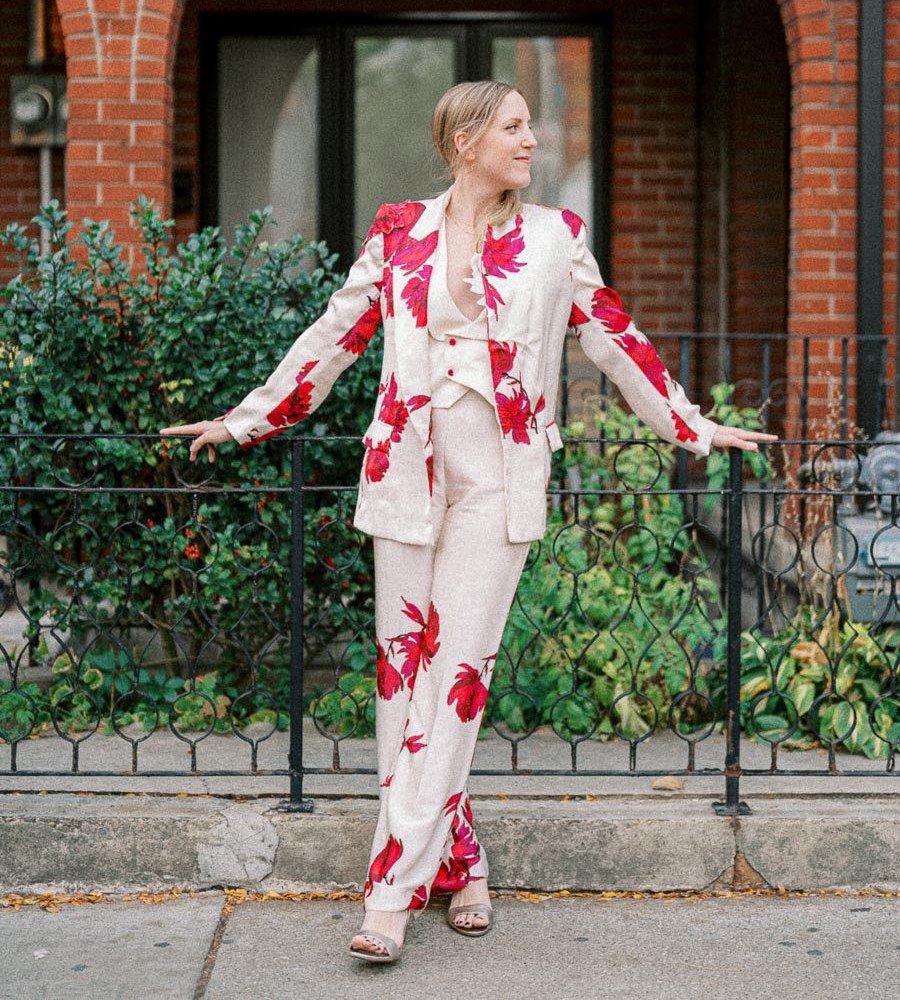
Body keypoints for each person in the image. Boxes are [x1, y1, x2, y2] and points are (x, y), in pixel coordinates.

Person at [161, 79, 774, 965]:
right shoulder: (399, 230)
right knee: (403, 680)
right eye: (514, 127)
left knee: (454, 676)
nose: (531, 141)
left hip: (499, 480)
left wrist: (694, 426)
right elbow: (334, 337)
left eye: (529, 126)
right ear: (466, 141)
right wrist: (244, 420)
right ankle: (462, 863)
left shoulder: (556, 238)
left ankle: (390, 893)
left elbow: (614, 339)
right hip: (405, 475)